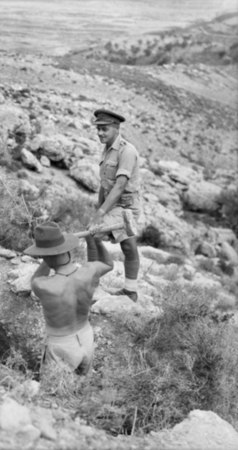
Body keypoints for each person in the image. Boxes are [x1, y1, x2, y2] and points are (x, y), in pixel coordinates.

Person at [25, 222, 113, 375]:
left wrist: (46, 253)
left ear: (45, 256)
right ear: (67, 249)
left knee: (52, 394)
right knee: (82, 389)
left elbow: (37, 276)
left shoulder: (43, 285)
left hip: (61, 346)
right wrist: (95, 240)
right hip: (86, 337)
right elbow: (107, 263)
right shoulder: (89, 272)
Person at [88, 109, 142, 302]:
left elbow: (119, 186)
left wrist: (101, 212)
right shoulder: (107, 149)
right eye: (98, 129)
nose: (100, 133)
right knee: (96, 234)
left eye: (105, 129)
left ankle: (126, 289)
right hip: (113, 204)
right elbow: (105, 185)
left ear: (116, 128)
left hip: (126, 206)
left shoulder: (127, 151)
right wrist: (99, 209)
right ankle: (101, 275)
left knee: (99, 236)